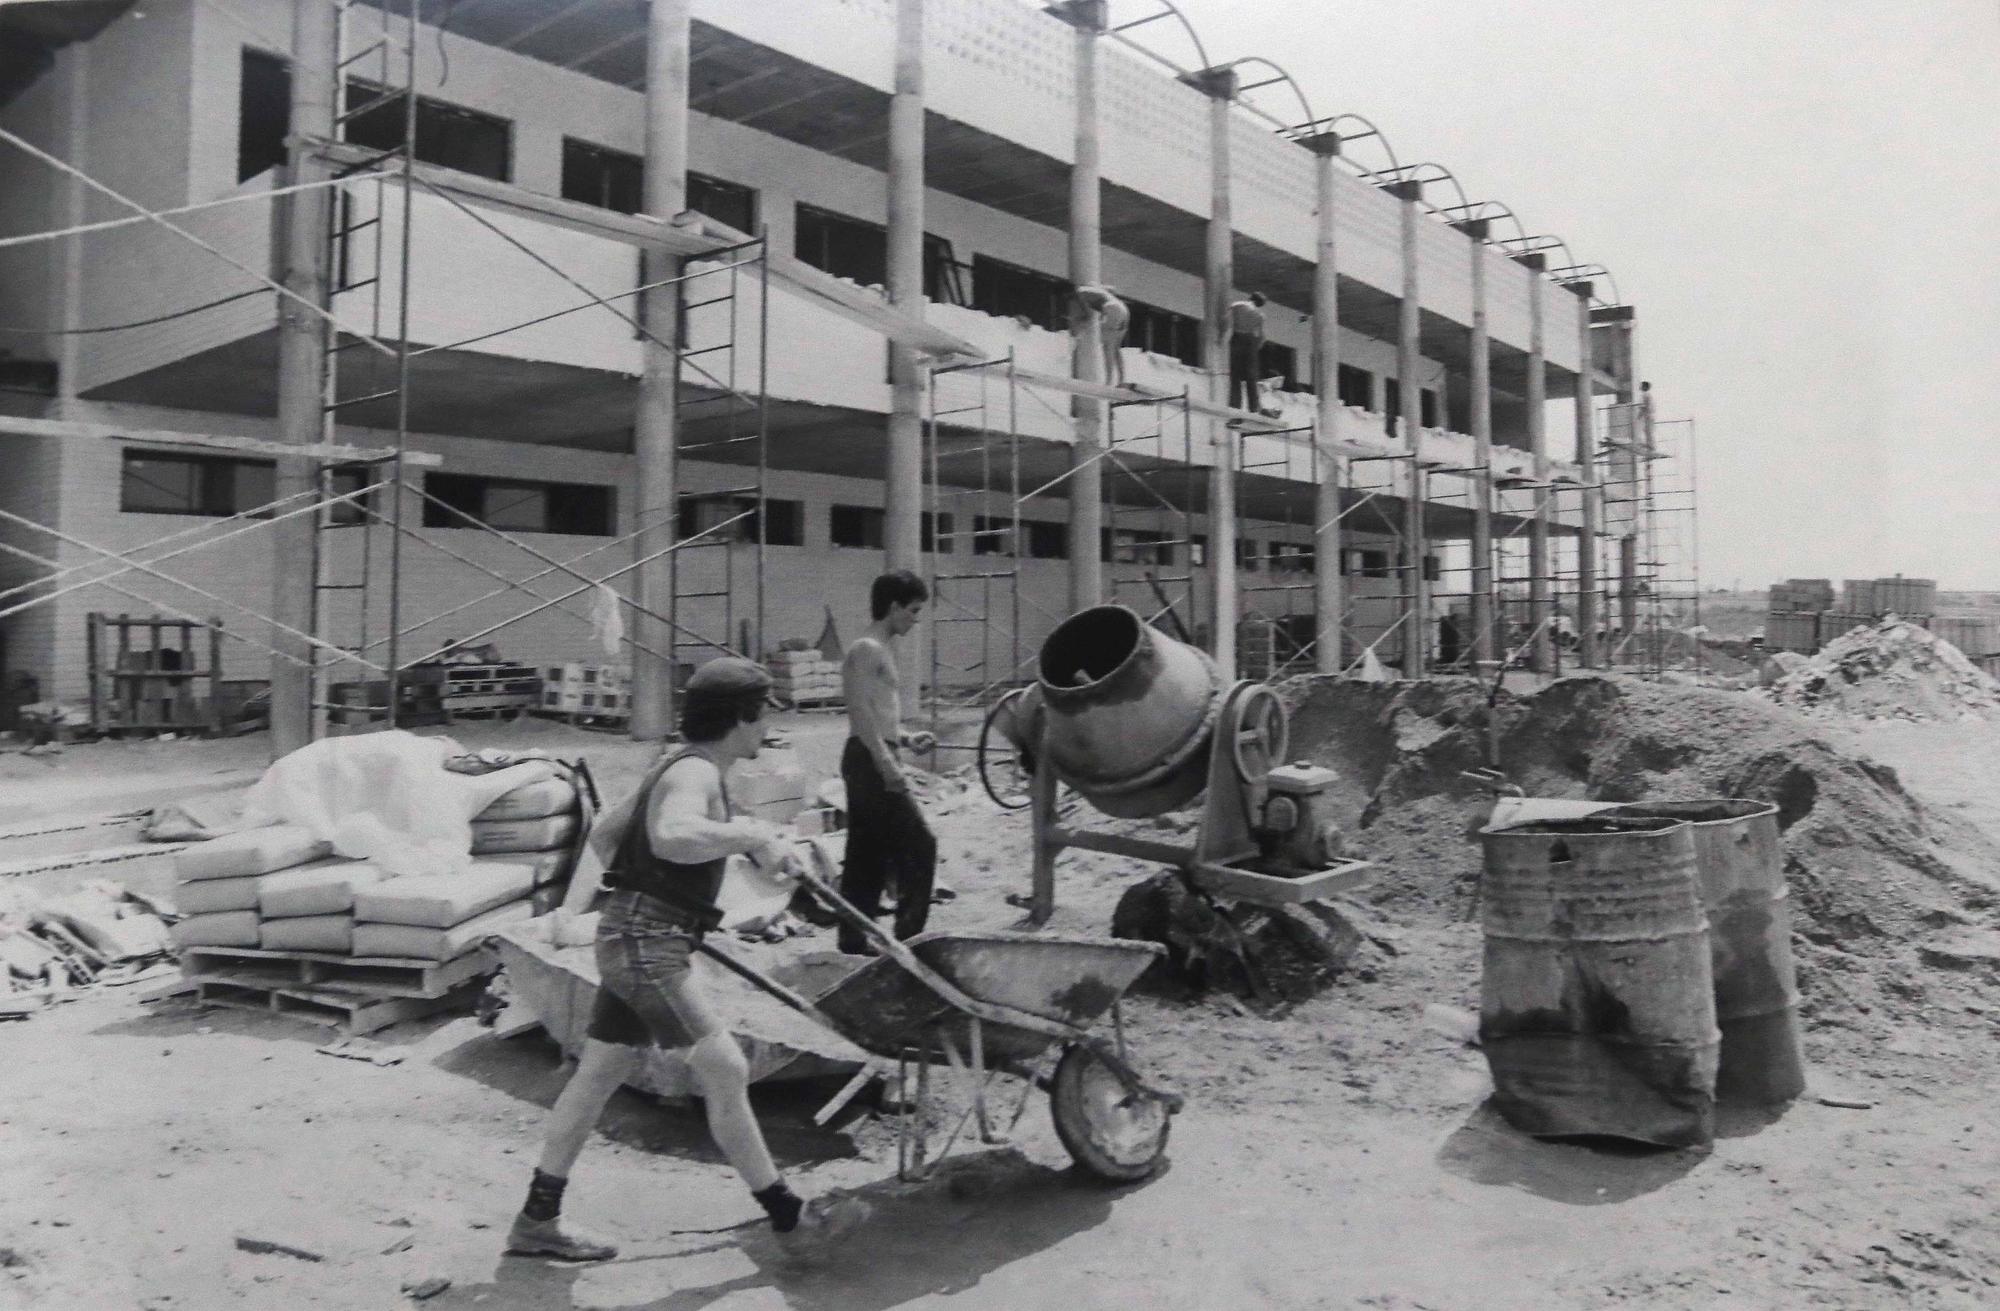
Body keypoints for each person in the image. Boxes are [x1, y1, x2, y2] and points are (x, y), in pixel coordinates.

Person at [509, 657, 867, 1262]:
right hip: (648, 942)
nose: (769, 726)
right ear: (738, 718)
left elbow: (607, 838)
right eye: (764, 713)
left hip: (641, 935)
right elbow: (674, 836)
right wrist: (750, 835)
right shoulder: (697, 772)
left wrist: (749, 854)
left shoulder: (676, 765)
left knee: (597, 1075)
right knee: (724, 1067)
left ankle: (536, 1220)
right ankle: (790, 1217)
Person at [838, 570, 938, 955]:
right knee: (920, 844)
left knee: (868, 852)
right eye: (913, 610)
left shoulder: (880, 648)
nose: (916, 619)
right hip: (868, 759)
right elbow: (859, 711)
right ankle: (909, 938)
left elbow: (877, 714)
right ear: (893, 606)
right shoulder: (866, 648)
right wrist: (885, 762)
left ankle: (852, 938)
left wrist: (906, 740)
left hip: (873, 753)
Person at [1072, 284, 1131, 389]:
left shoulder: (1081, 292)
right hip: (1124, 311)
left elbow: (1087, 315)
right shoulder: (1099, 292)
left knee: (1107, 347)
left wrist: (1079, 321)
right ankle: (1121, 379)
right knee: (1115, 349)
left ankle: (1108, 381)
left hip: (1112, 309)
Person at [1224, 291, 1268, 416]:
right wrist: (1255, 349)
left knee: (1235, 376)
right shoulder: (1260, 315)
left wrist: (1223, 337)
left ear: (1250, 298)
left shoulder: (1237, 305)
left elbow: (1226, 321)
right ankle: (1253, 407)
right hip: (1251, 341)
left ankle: (1235, 405)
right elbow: (1262, 337)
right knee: (1251, 377)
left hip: (1238, 337)